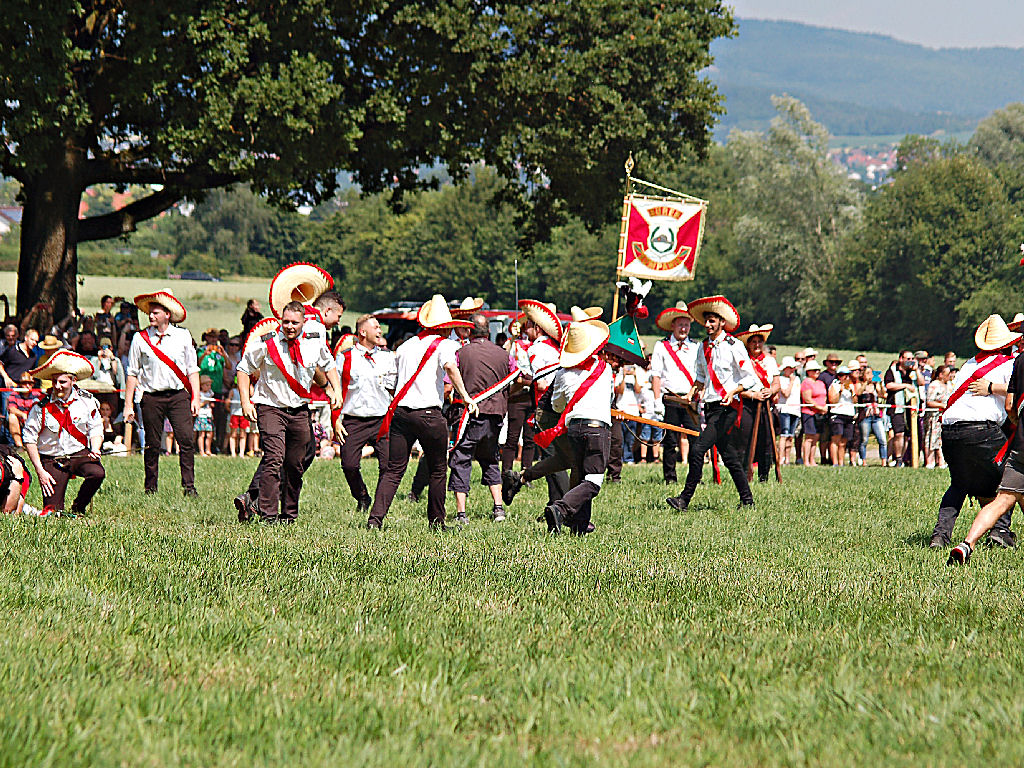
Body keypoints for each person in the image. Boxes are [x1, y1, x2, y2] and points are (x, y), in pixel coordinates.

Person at [368, 295, 477, 531]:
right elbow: (450, 367)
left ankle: (375, 519)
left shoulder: (405, 346)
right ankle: (436, 523)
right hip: (429, 414)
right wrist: (466, 397)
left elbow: (391, 382)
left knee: (394, 470)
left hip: (402, 413)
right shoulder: (445, 345)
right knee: (438, 469)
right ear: (444, 327)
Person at [237, 301, 341, 524]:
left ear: (304, 322)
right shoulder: (267, 342)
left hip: (300, 410)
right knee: (274, 459)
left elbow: (329, 364)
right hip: (270, 408)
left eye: (295, 322)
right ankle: (268, 515)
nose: (290, 327)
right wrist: (246, 402)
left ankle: (289, 515)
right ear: (280, 321)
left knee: (295, 464)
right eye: (286, 322)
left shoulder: (314, 341)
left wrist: (336, 390)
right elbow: (243, 369)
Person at [931, 315, 1019, 550]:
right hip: (981, 429)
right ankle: (1000, 532)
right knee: (1008, 479)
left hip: (950, 430)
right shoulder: (1010, 364)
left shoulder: (969, 364)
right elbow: (1017, 391)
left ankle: (940, 536)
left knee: (959, 483)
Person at [666, 296, 758, 513]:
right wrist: (690, 394)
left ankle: (684, 499)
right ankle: (747, 500)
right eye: (706, 321)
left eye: (712, 321)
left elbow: (750, 377)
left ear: (722, 323)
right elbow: (700, 377)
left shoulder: (734, 346)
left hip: (728, 408)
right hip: (710, 407)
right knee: (730, 457)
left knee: (698, 449)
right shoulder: (703, 347)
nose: (707, 325)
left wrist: (734, 391)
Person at [123, 290, 200, 497]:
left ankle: (189, 486)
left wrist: (196, 397)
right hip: (151, 397)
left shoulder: (183, 335)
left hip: (178, 396)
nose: (151, 316)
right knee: (152, 444)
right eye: (150, 312)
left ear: (167, 314)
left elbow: (192, 369)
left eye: (155, 312)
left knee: (186, 441)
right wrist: (128, 405)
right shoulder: (140, 338)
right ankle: (150, 488)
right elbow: (132, 373)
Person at [448, 312, 514, 524]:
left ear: (470, 331)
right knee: (491, 459)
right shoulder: (504, 355)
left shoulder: (460, 353)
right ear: (488, 332)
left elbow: (449, 383)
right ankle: (498, 508)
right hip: (495, 415)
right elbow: (514, 379)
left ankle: (461, 513)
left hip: (469, 415)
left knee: (461, 459)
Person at [22, 350, 105, 517]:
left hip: (78, 453)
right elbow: (29, 439)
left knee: (97, 473)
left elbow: (96, 428)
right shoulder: (40, 407)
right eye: (54, 381)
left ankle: (78, 506)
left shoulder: (87, 401)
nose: (57, 386)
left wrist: (95, 449)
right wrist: (40, 471)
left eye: (62, 382)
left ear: (73, 381)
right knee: (53, 512)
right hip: (52, 459)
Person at [336, 314, 396, 514]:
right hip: (354, 420)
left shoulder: (387, 357)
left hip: (382, 419)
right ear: (362, 332)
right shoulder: (345, 357)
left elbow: (394, 387)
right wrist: (336, 419)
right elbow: (335, 390)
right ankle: (362, 496)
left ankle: (379, 507)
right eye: (376, 327)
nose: (380, 331)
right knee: (349, 465)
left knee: (387, 466)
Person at [649, 302, 700, 481]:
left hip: (690, 399)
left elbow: (701, 374)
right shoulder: (661, 346)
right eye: (680, 324)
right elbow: (656, 375)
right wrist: (657, 400)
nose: (683, 328)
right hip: (670, 399)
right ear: (673, 325)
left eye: (686, 324)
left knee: (695, 439)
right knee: (670, 441)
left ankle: (696, 476)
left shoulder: (696, 347)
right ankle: (670, 477)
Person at [735, 324, 779, 482]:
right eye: (753, 341)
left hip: (766, 404)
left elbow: (777, 383)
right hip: (748, 404)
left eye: (759, 341)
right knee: (745, 439)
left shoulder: (770, 361)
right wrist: (753, 395)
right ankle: (744, 475)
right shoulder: (743, 361)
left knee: (766, 439)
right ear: (748, 343)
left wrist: (771, 391)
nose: (757, 345)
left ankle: (764, 476)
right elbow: (736, 387)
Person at [502, 319, 535, 474]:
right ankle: (506, 472)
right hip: (517, 396)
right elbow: (503, 354)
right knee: (512, 437)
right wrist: (513, 338)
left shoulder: (537, 345)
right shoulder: (514, 344)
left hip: (532, 396)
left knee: (530, 439)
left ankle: (526, 473)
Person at [884, 350, 917, 467]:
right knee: (899, 433)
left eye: (912, 359)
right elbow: (889, 385)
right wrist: (905, 385)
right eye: (908, 359)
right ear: (901, 359)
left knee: (907, 435)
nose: (910, 361)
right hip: (897, 407)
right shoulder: (892, 371)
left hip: (910, 407)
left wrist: (917, 370)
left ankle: (902, 458)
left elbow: (921, 383)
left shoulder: (912, 372)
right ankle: (897, 458)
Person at [827, 366, 858, 467]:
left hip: (849, 414)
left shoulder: (851, 386)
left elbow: (855, 401)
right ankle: (835, 462)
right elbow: (833, 401)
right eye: (842, 375)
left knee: (844, 441)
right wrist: (840, 391)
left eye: (847, 375)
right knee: (836, 439)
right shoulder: (834, 385)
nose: (845, 378)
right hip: (837, 413)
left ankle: (841, 462)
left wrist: (852, 392)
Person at [924, 364, 953, 468]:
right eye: (947, 374)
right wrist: (942, 406)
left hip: (944, 417)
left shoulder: (948, 385)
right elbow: (929, 402)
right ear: (940, 375)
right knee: (931, 438)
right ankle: (929, 461)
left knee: (941, 439)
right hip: (934, 416)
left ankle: (941, 461)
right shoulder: (934, 385)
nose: (950, 376)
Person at [857, 365, 887, 464]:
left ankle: (884, 461)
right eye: (867, 373)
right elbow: (858, 393)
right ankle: (863, 460)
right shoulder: (860, 384)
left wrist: (880, 383)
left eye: (871, 373)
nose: (870, 375)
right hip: (865, 415)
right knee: (864, 439)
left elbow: (882, 395)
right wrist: (866, 383)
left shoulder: (875, 385)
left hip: (876, 414)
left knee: (882, 439)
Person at [799, 361, 827, 466]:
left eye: (818, 370)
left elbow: (824, 397)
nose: (817, 372)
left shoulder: (820, 383)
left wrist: (823, 408)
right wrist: (820, 407)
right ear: (808, 371)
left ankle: (812, 459)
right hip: (809, 413)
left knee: (816, 437)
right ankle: (806, 460)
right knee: (809, 437)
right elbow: (807, 399)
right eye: (814, 370)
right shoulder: (806, 382)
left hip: (820, 414)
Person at [7, 371, 42, 447]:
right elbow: (11, 409)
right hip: (20, 420)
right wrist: (23, 415)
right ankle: (19, 445)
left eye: (30, 383)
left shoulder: (38, 395)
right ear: (20, 384)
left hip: (34, 419)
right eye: (24, 383)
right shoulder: (14, 394)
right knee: (12, 417)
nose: (27, 386)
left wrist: (30, 416)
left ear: (33, 384)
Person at [777, 356, 801, 465]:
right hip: (785, 409)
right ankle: (780, 458)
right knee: (784, 434)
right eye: (790, 368)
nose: (792, 370)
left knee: (791, 436)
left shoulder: (797, 379)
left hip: (795, 410)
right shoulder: (781, 379)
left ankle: (787, 458)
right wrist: (791, 382)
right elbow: (786, 394)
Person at [194, 375, 216, 456]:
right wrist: (205, 402)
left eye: (210, 385)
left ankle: (208, 450)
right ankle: (201, 451)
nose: (209, 387)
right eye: (207, 385)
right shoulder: (199, 394)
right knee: (202, 434)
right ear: (201, 385)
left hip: (208, 415)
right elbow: (198, 405)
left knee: (210, 433)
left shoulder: (210, 393)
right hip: (201, 415)